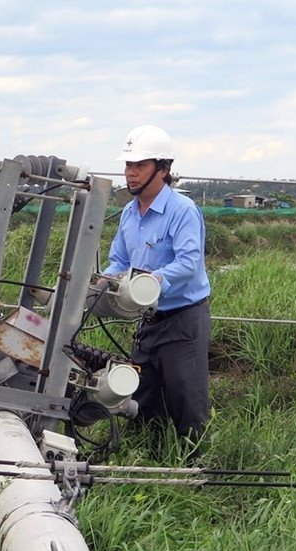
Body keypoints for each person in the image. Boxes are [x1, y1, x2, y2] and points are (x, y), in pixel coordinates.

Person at [102, 125, 211, 459]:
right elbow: (118, 259)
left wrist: (148, 284)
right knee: (141, 395)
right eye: (128, 166)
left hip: (183, 319)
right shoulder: (128, 213)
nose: (130, 174)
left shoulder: (182, 210)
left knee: (186, 398)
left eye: (140, 166)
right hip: (147, 320)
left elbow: (189, 263)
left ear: (163, 169)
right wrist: (103, 283)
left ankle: (196, 467)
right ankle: (146, 459)